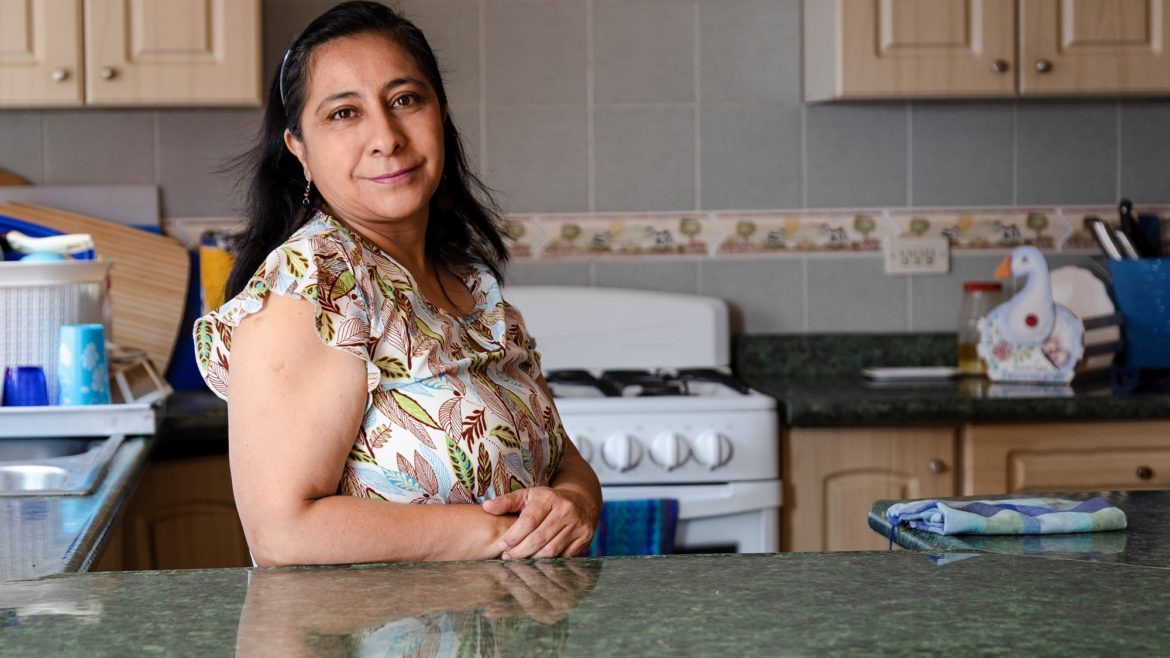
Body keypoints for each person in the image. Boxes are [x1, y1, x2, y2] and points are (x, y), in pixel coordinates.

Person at [193, 1, 600, 566]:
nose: (386, 136)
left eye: (405, 100)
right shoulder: (314, 286)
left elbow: (556, 456)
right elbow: (284, 532)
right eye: (343, 114)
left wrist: (574, 503)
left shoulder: (469, 284)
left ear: (441, 112)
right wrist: (506, 537)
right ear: (299, 151)